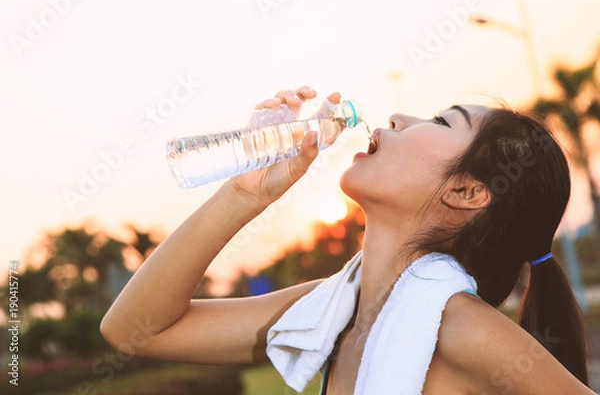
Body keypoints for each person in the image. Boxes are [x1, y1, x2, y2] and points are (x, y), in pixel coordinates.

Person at [100, 86, 595, 394]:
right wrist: (243, 194)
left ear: (466, 191)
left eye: (443, 122)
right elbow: (136, 331)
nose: (400, 117)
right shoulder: (333, 313)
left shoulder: (464, 329)